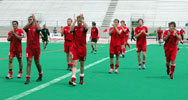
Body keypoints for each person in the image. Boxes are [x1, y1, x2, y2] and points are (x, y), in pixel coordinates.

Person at [69, 14, 88, 86]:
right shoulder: (75, 27)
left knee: (82, 64)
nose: (79, 22)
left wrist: (82, 19)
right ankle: (73, 79)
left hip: (83, 49)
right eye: (78, 21)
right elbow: (70, 30)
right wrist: (74, 21)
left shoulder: (84, 27)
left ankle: (81, 78)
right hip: (75, 48)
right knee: (74, 63)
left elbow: (87, 27)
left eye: (80, 21)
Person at [23, 14, 43, 84]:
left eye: (31, 19)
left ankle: (40, 74)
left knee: (37, 63)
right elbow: (24, 28)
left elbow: (39, 29)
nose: (30, 21)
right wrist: (29, 23)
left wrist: (35, 21)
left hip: (36, 48)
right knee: (29, 62)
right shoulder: (27, 28)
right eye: (29, 20)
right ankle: (28, 78)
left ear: (34, 20)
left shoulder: (36, 27)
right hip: (29, 48)